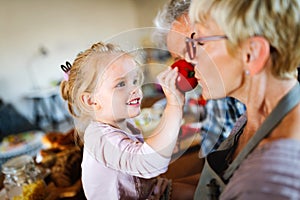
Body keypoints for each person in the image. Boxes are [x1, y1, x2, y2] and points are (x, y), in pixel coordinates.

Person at [187, 0, 300, 199]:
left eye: (201, 42)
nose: (190, 57)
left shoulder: (270, 179)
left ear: (252, 54)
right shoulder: (252, 117)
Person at [60, 42, 195, 199]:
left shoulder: (124, 123)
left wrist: (164, 144)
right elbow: (150, 162)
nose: (135, 90)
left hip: (152, 191)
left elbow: (143, 151)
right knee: (205, 193)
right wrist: (174, 106)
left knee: (205, 185)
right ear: (91, 100)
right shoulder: (99, 138)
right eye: (121, 84)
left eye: (135, 81)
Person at [154, 0, 246, 158]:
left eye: (198, 43)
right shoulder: (217, 98)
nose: (190, 64)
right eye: (180, 58)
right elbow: (214, 174)